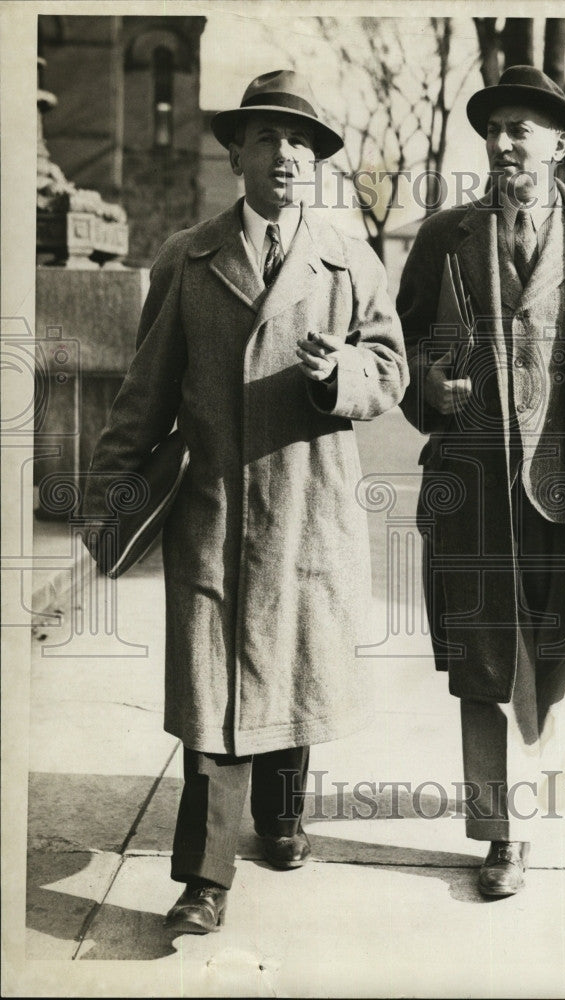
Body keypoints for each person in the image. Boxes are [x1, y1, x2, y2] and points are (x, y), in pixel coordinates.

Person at [84, 69, 408, 934]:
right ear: (236, 154)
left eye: (301, 141)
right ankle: (204, 880)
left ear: (318, 162)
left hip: (310, 505)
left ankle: (284, 814)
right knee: (213, 690)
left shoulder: (351, 258)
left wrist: (341, 373)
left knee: (292, 659)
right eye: (266, 137)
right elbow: (143, 394)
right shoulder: (186, 258)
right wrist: (109, 497)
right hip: (214, 509)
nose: (286, 154)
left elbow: (389, 372)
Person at [397, 65, 565, 898]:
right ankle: (501, 834)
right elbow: (400, 352)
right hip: (474, 488)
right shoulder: (444, 236)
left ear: (559, 144)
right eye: (494, 128)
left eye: (521, 129)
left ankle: (533, 804)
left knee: (558, 655)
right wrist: (426, 391)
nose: (503, 142)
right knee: (483, 662)